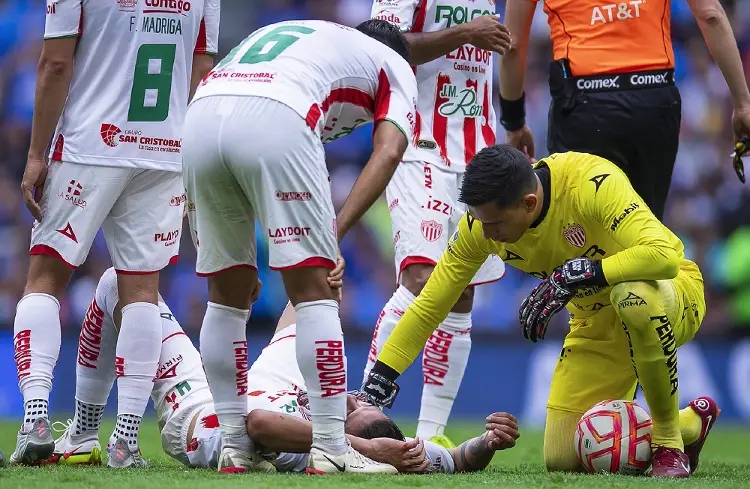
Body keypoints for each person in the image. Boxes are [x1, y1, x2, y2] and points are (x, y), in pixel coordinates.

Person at [362, 145, 720, 478]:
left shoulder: (592, 182)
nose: (487, 234)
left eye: (496, 225)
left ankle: (670, 444)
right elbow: (429, 306)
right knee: (564, 457)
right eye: (481, 222)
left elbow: (664, 256)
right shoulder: (480, 227)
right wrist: (381, 377)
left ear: (529, 203)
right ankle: (692, 423)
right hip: (596, 322)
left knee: (632, 296)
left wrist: (580, 273)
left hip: (670, 296)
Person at [181, 19, 419, 474]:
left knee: (227, 297)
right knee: (317, 291)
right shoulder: (396, 65)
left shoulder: (311, 37)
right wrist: (333, 236)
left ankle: (235, 447)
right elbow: (388, 152)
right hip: (277, 114)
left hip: (202, 114)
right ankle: (331, 447)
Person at [51, 268, 521, 474]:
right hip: (277, 384)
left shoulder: (324, 447)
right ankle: (84, 434)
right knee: (319, 300)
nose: (350, 400)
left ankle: (105, 436)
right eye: (353, 402)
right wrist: (487, 442)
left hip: (198, 415)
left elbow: (256, 424)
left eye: (349, 410)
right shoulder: (361, 429)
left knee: (119, 283)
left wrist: (355, 443)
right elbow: (455, 460)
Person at [12, 0, 219, 467]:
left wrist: (35, 155)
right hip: (164, 148)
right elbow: (202, 67)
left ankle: (37, 420)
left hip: (89, 143)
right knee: (141, 293)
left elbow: (55, 62)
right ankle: (125, 440)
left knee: (45, 278)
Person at [363, 0, 511, 448]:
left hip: (477, 151)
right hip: (416, 143)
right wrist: (467, 33)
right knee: (423, 278)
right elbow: (381, 45)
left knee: (461, 293)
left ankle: (430, 436)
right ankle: (365, 416)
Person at [499, 0, 750, 220]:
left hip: (584, 106)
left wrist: (514, 122)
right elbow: (711, 15)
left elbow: (513, 44)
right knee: (647, 237)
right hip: (653, 100)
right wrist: (742, 104)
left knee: (583, 239)